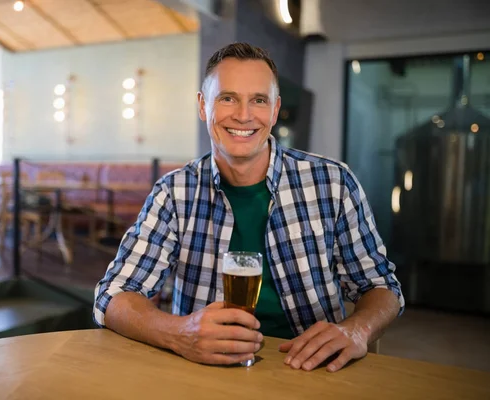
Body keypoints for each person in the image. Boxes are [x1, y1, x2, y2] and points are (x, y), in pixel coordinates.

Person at [93, 42, 404, 372]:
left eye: (258, 100)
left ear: (274, 109)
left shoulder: (332, 182)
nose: (243, 115)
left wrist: (355, 330)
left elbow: (380, 286)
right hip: (205, 373)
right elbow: (113, 294)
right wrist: (179, 333)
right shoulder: (174, 192)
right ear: (202, 105)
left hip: (311, 373)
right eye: (227, 98)